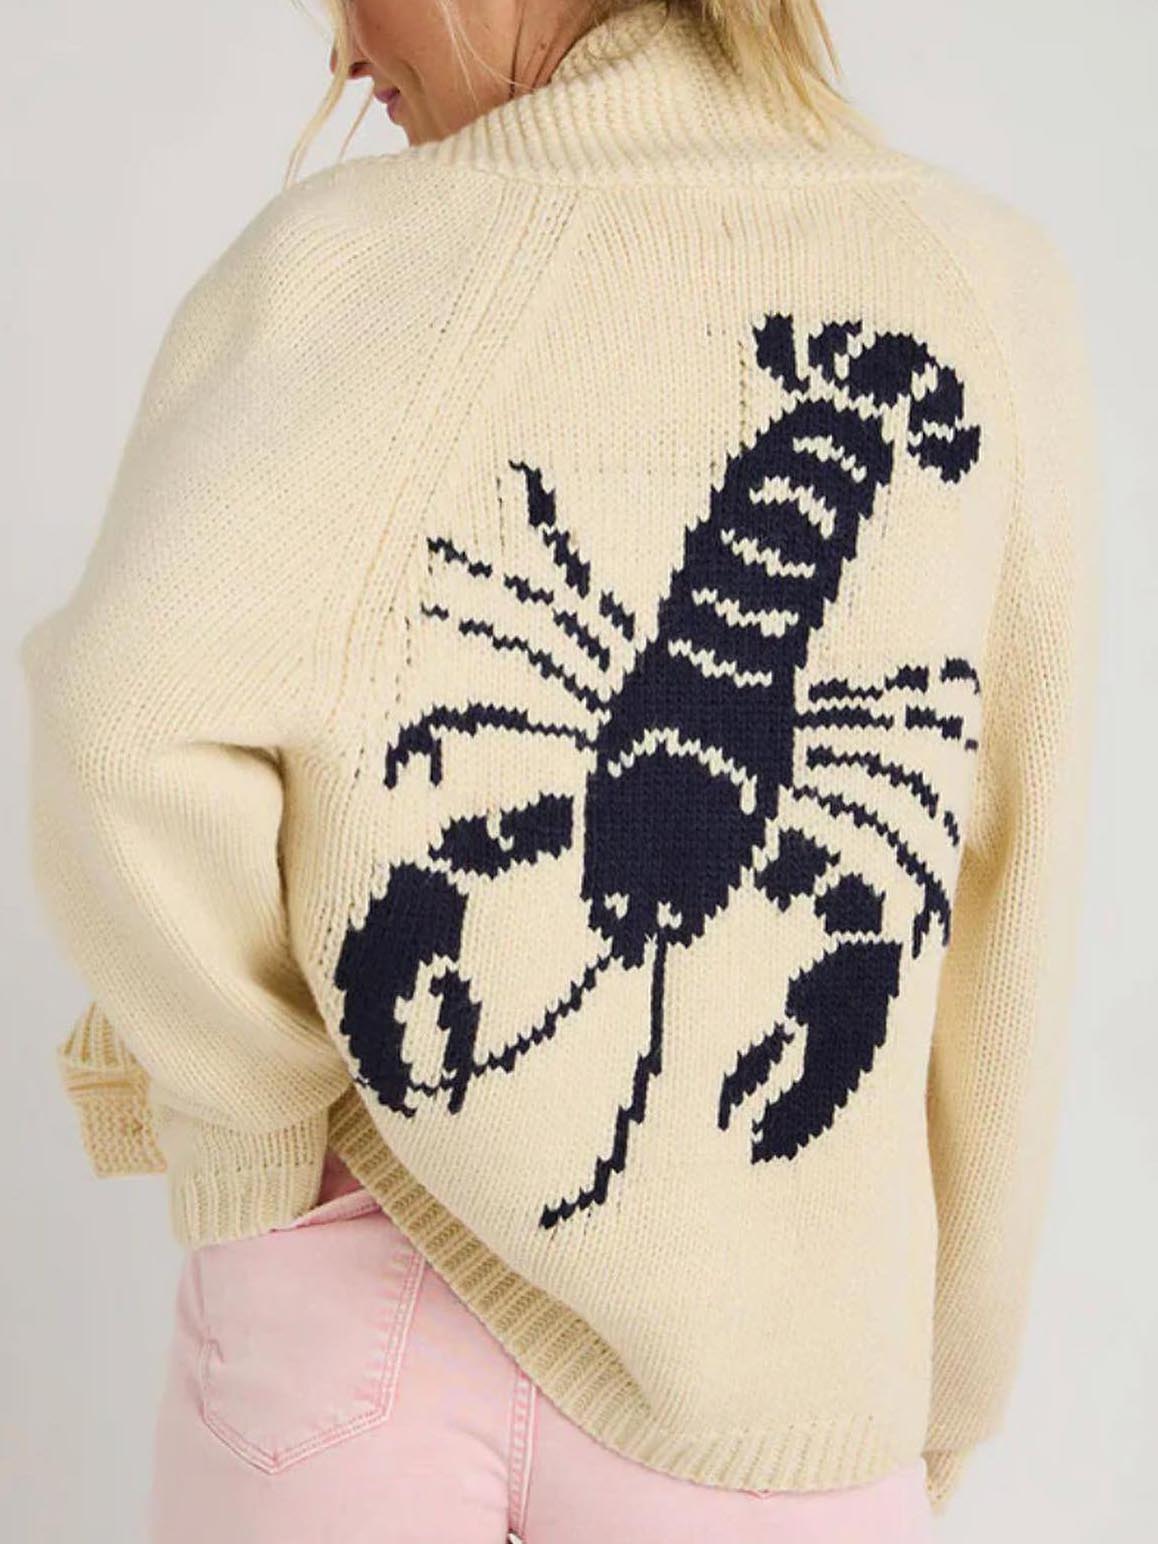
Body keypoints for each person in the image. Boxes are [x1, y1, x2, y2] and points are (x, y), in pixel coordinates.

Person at [18, 2, 1101, 1540]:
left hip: (357, 1302)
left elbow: (126, 714)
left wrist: (254, 1134)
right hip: (778, 1389)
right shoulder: (985, 280)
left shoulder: (354, 257)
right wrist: (944, 1383)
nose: (342, 50)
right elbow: (1003, 901)